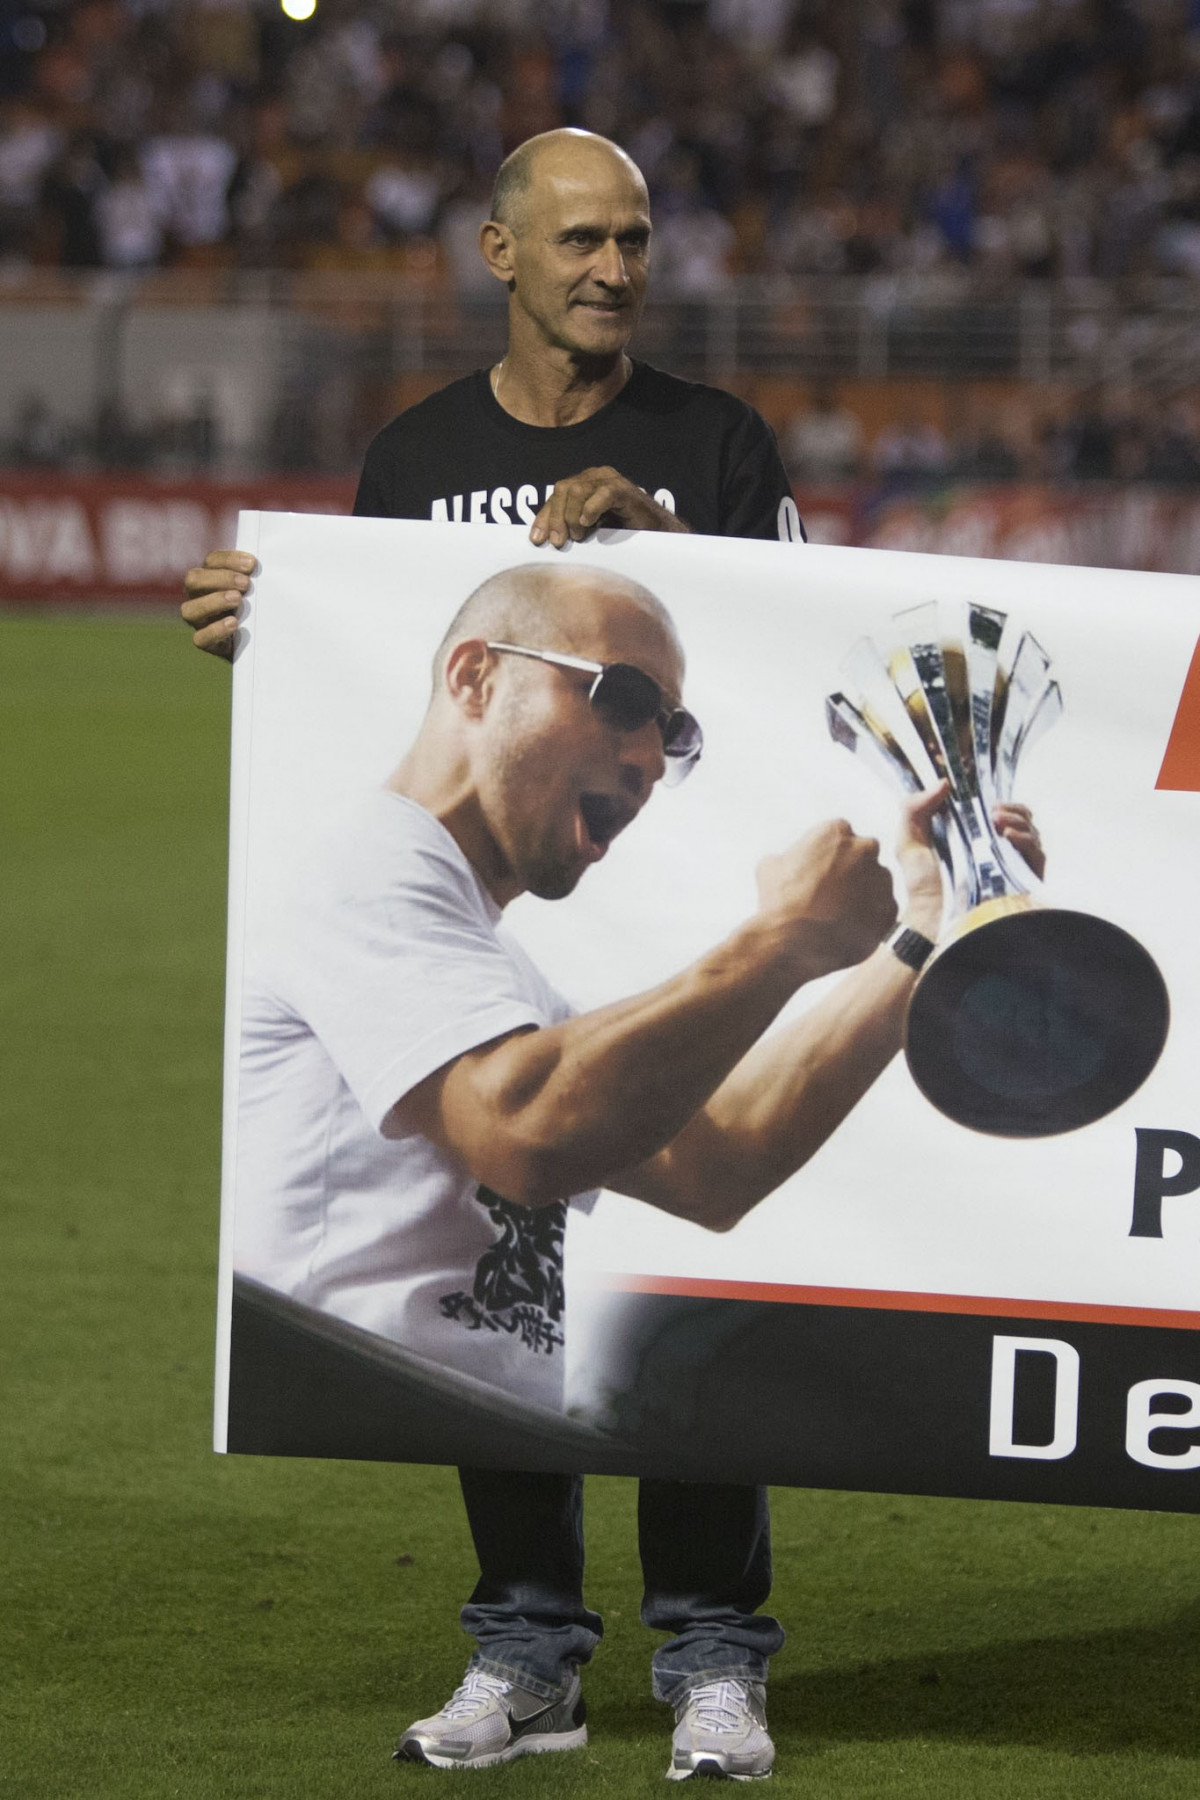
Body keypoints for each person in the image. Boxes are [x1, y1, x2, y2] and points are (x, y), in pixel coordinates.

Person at [181, 128, 1037, 1782]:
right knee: (489, 1282)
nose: (614, 268)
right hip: (486, 930)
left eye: (635, 239)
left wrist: (675, 554)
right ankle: (530, 1648)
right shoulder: (412, 456)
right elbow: (381, 682)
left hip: (659, 901)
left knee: (682, 1294)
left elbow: (793, 674)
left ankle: (715, 1657)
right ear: (501, 255)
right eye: (578, 238)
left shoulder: (711, 443)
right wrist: (265, 632)